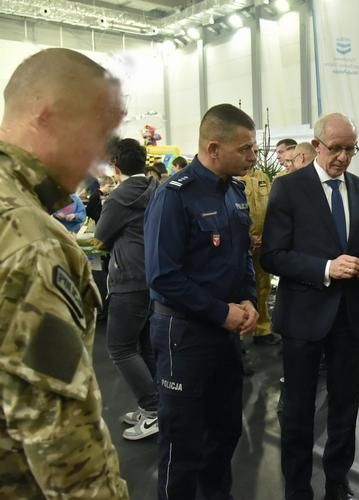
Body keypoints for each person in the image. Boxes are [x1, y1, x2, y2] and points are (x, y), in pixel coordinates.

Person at [0, 47, 128, 499]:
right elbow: (67, 453)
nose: (100, 157)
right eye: (98, 132)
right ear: (47, 116)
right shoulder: (33, 242)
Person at [261, 112, 359, 500]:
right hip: (303, 316)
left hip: (349, 316)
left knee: (346, 405)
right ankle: (297, 488)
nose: (343, 157)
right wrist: (326, 268)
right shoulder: (288, 188)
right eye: (336, 148)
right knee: (298, 409)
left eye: (351, 149)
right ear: (316, 145)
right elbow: (273, 255)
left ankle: (337, 482)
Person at [144, 103, 259, 500]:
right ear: (213, 148)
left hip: (225, 331)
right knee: (183, 440)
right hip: (184, 334)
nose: (253, 156)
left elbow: (242, 255)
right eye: (245, 149)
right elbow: (163, 275)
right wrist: (220, 311)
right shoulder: (174, 197)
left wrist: (248, 298)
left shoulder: (235, 192)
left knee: (225, 431)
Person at [95, 138, 160, 440]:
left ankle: (153, 409)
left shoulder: (120, 197)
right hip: (153, 276)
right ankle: (156, 406)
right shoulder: (156, 187)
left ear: (116, 165)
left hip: (129, 278)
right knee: (144, 345)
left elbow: (100, 237)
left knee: (120, 348)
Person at [240, 145, 280, 346]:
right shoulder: (233, 177)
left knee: (263, 286)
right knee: (238, 289)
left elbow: (272, 207)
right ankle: (238, 337)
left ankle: (262, 329)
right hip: (240, 244)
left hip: (263, 243)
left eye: (257, 151)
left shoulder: (262, 177)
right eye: (250, 151)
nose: (254, 155)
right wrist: (246, 237)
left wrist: (267, 235)